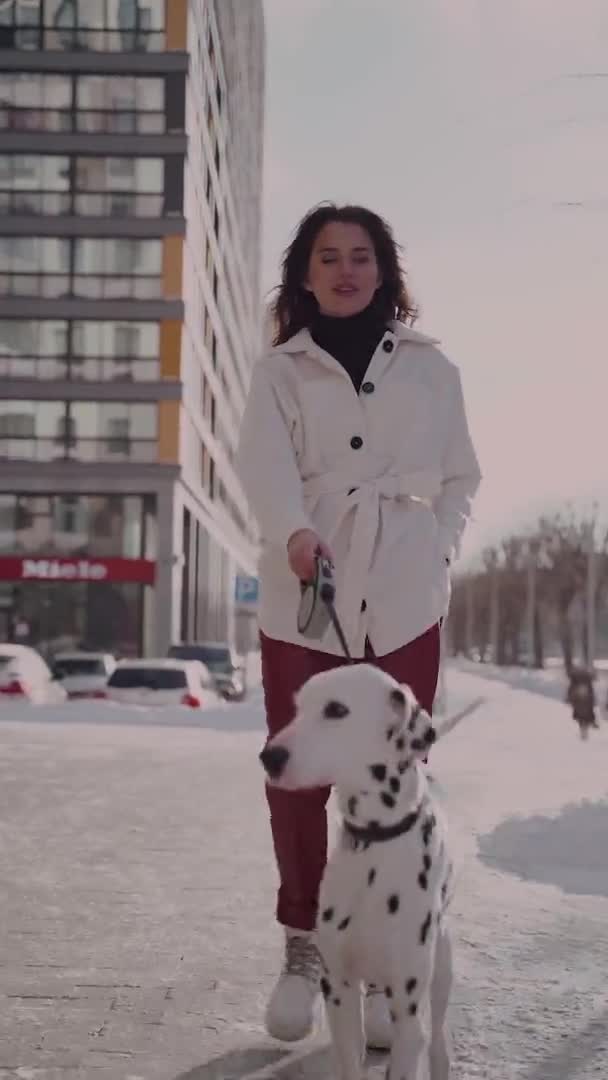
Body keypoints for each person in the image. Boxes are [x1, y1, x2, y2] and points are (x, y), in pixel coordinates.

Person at [237, 203, 481, 1047]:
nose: (346, 269)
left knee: (398, 776)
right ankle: (305, 942)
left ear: (384, 271)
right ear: (304, 276)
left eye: (362, 256)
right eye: (328, 257)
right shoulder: (280, 371)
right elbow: (263, 467)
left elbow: (461, 476)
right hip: (305, 587)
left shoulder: (431, 368)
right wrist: (295, 532)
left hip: (407, 592)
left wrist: (439, 551)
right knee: (297, 775)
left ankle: (392, 954)